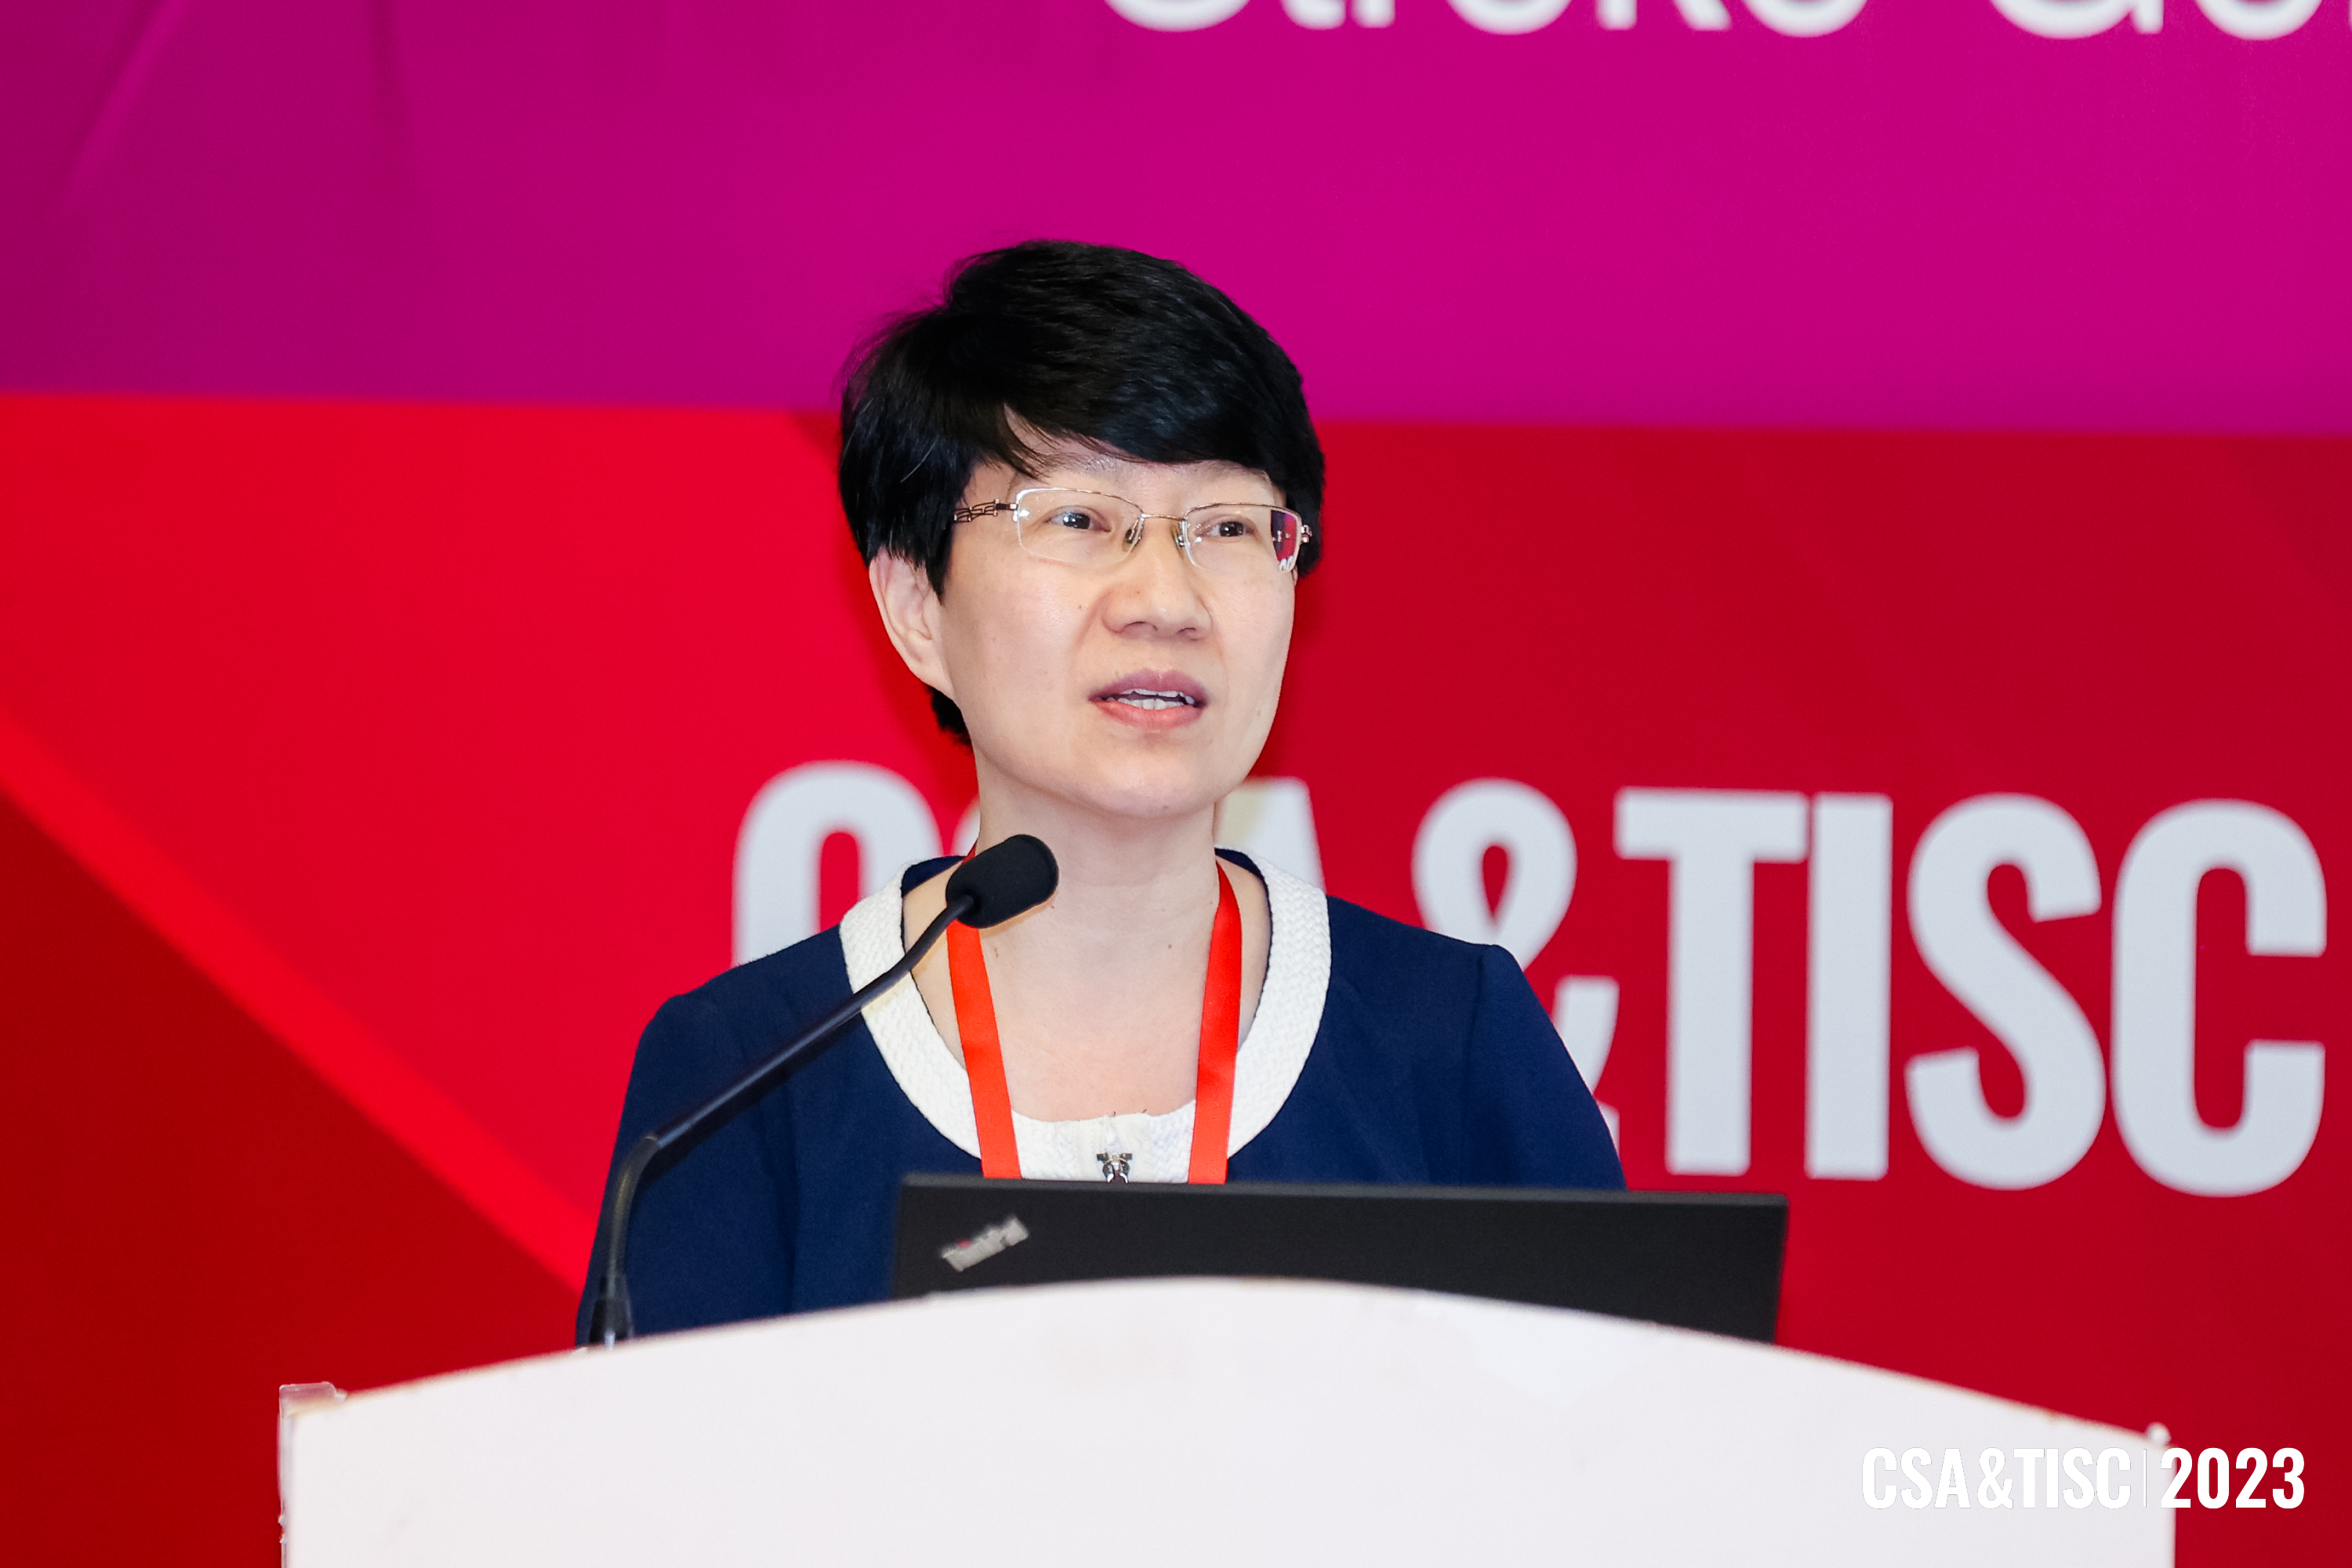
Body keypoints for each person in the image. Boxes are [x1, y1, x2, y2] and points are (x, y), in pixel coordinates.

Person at [577, 240, 1621, 1341]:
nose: (1164, 600)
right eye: (1078, 519)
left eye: (1227, 527)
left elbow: (1640, 1433)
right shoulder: (741, 1084)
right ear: (918, 607)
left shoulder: (1452, 1043)